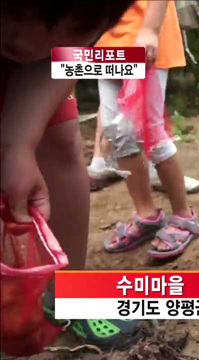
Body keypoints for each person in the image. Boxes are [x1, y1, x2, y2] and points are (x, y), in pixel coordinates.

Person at [0, 0, 148, 350]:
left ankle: (71, 295)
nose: (30, 42)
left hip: (47, 65)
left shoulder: (75, 25)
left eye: (67, 29)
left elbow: (61, 56)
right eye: (21, 15)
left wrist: (15, 145)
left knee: (61, 138)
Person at [96, 0, 199, 260]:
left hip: (142, 34)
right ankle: (146, 215)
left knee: (151, 131)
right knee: (117, 132)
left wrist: (150, 29)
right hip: (108, 36)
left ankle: (183, 216)